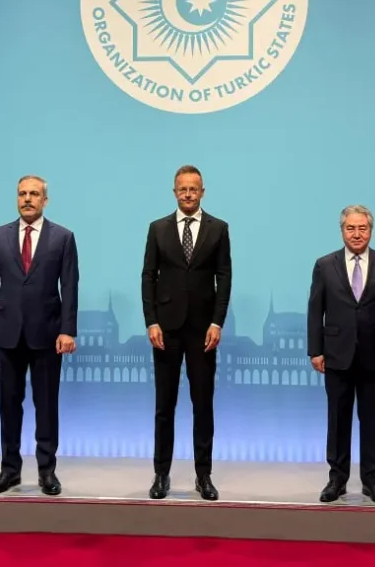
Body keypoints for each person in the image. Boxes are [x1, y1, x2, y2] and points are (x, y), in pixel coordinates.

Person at [0, 175, 78, 496]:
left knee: (46, 405)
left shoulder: (63, 237)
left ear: (45, 200)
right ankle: (10, 470)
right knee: (9, 405)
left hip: (47, 334)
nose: (27, 199)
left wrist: (67, 330)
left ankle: (47, 471)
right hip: (7, 335)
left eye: (34, 194)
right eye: (22, 194)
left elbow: (70, 288)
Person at [141, 165, 231, 501]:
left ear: (203, 192)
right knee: (164, 406)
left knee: (202, 405)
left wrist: (217, 322)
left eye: (194, 189)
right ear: (174, 191)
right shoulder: (158, 229)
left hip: (203, 332)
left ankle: (203, 476)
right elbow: (147, 276)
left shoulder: (219, 229)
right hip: (165, 330)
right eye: (183, 189)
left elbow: (225, 278)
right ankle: (161, 475)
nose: (188, 194)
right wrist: (151, 321)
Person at [307, 205, 375, 505]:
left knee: (371, 420)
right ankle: (336, 479)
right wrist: (315, 350)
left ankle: (372, 482)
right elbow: (315, 311)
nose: (357, 233)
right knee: (338, 419)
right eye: (351, 228)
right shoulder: (325, 265)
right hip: (336, 355)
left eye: (362, 228)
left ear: (371, 231)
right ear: (342, 230)